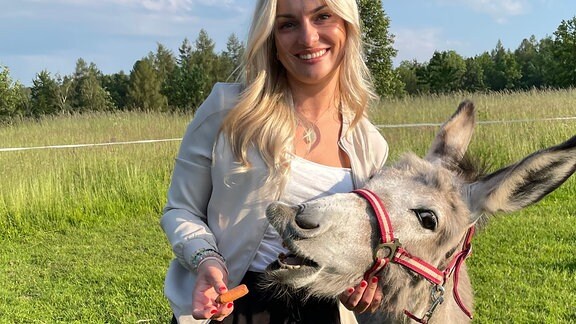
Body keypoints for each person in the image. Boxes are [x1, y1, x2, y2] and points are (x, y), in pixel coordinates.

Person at [161, 0, 389, 322]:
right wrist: (207, 261)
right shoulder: (227, 111)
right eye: (287, 24)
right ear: (272, 41)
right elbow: (180, 210)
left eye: (323, 16)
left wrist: (356, 283)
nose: (308, 38)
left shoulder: (370, 146)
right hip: (227, 307)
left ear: (347, 27)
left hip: (319, 313)